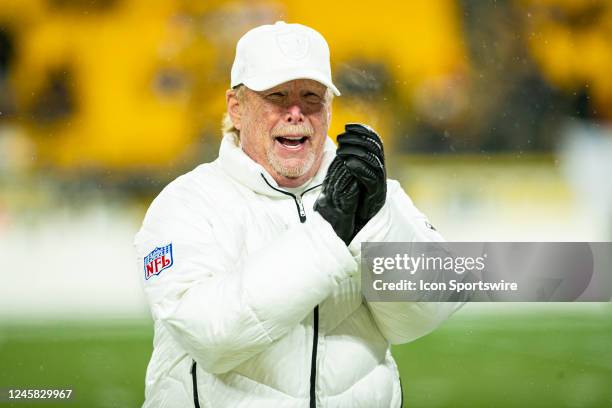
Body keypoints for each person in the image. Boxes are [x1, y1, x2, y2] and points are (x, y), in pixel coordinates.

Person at [135, 21, 460, 408]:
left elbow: (426, 311)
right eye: (276, 96)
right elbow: (210, 335)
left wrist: (377, 226)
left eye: (311, 97)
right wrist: (328, 236)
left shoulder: (370, 192)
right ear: (236, 109)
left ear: (329, 108)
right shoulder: (187, 203)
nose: (295, 113)